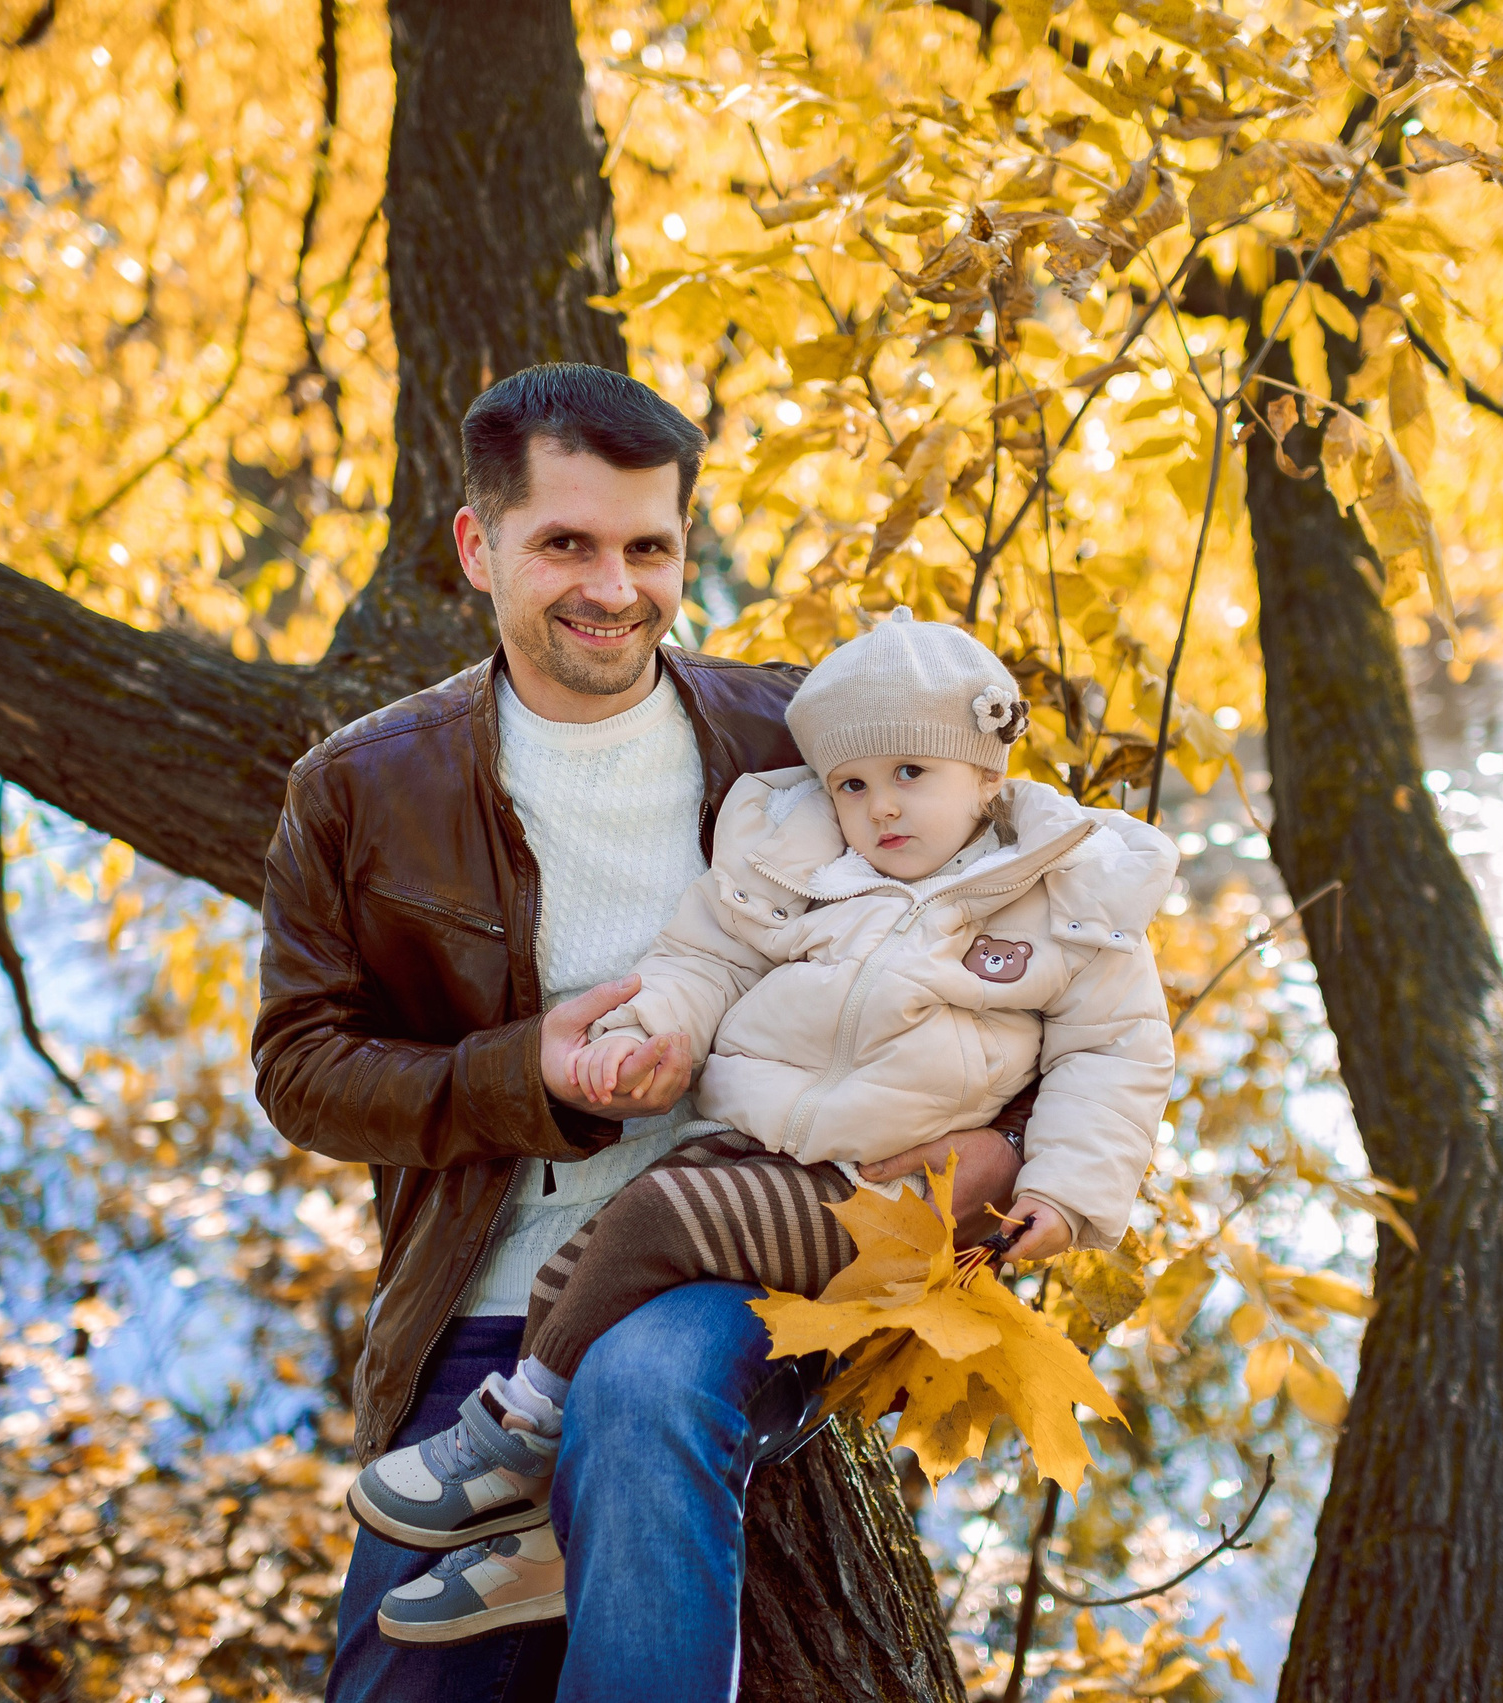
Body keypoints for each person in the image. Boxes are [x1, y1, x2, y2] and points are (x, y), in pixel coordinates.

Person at [250, 363, 1029, 1700]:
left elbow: (1030, 929)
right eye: (567, 543)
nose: (614, 586)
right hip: (484, 1308)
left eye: (648, 547)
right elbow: (301, 1066)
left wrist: (1000, 1153)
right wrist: (521, 1071)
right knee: (397, 1676)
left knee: (647, 1387)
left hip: (750, 1249)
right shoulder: (362, 784)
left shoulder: (794, 741)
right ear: (477, 545)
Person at [346, 610, 1180, 1608]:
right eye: (852, 784)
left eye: (912, 773)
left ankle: (512, 1433)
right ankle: (552, 1542)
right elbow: (701, 960)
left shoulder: (1067, 898)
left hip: (892, 1198)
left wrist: (1064, 1186)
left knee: (653, 1218)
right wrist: (636, 1039)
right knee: (586, 1257)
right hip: (759, 1149)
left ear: (986, 779)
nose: (881, 807)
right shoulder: (802, 870)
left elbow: (1113, 1051)